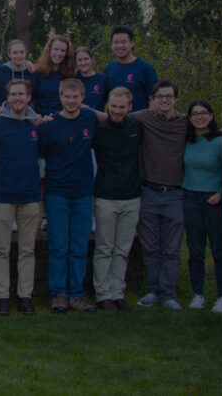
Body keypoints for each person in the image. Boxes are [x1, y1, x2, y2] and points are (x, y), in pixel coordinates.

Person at [39, 78, 97, 313]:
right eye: (67, 97)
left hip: (83, 192)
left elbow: (114, 119)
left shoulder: (90, 119)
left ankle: (77, 294)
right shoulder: (49, 125)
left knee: (79, 247)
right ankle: (59, 294)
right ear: (60, 97)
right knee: (58, 247)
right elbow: (40, 154)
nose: (71, 101)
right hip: (57, 192)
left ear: (83, 98)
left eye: (76, 97)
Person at [131, 80, 188, 309]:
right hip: (149, 192)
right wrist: (85, 110)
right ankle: (153, 291)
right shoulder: (144, 117)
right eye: (160, 96)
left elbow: (210, 129)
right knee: (151, 247)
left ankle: (168, 294)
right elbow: (115, 115)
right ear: (153, 99)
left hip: (175, 194)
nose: (164, 100)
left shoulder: (185, 122)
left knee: (171, 249)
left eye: (169, 96)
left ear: (175, 99)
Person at [0, 79, 41, 315]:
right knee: (2, 248)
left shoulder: (36, 125)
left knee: (27, 249)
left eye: (21, 94)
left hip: (30, 194)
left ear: (29, 97)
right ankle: (2, 297)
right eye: (13, 94)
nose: (17, 98)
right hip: (2, 194)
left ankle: (25, 296)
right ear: (7, 98)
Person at [91, 87, 143, 311]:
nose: (117, 111)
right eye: (113, 106)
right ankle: (103, 294)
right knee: (105, 247)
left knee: (122, 249)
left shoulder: (137, 127)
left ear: (130, 107)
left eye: (122, 107)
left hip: (132, 196)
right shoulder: (99, 130)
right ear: (107, 106)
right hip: (105, 195)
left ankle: (117, 292)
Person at [182, 99, 222, 314]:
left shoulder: (220, 142)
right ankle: (198, 294)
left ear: (211, 116)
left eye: (203, 113)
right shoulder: (187, 141)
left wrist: (220, 193)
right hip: (190, 198)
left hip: (213, 200)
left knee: (219, 249)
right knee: (195, 249)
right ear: (190, 118)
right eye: (195, 113)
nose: (199, 117)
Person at [104, 25, 158, 111]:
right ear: (111, 45)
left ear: (132, 43)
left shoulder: (146, 68)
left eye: (124, 42)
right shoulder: (109, 69)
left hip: (139, 119)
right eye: (116, 42)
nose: (120, 46)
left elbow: (155, 98)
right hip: (115, 118)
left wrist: (150, 117)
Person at [30, 34, 77, 115]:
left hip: (63, 118)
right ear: (49, 50)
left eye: (63, 51)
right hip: (41, 118)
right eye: (56, 49)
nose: (59, 53)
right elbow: (29, 99)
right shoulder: (37, 72)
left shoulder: (71, 74)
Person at [0, 39, 32, 106]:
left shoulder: (32, 72)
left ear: (25, 53)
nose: (19, 56)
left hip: (27, 111)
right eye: (15, 53)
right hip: (4, 111)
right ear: (9, 54)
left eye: (22, 52)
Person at [75, 46, 108, 111]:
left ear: (92, 59)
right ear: (75, 62)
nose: (83, 63)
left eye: (86, 59)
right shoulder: (73, 80)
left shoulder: (103, 79)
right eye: (79, 60)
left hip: (97, 117)